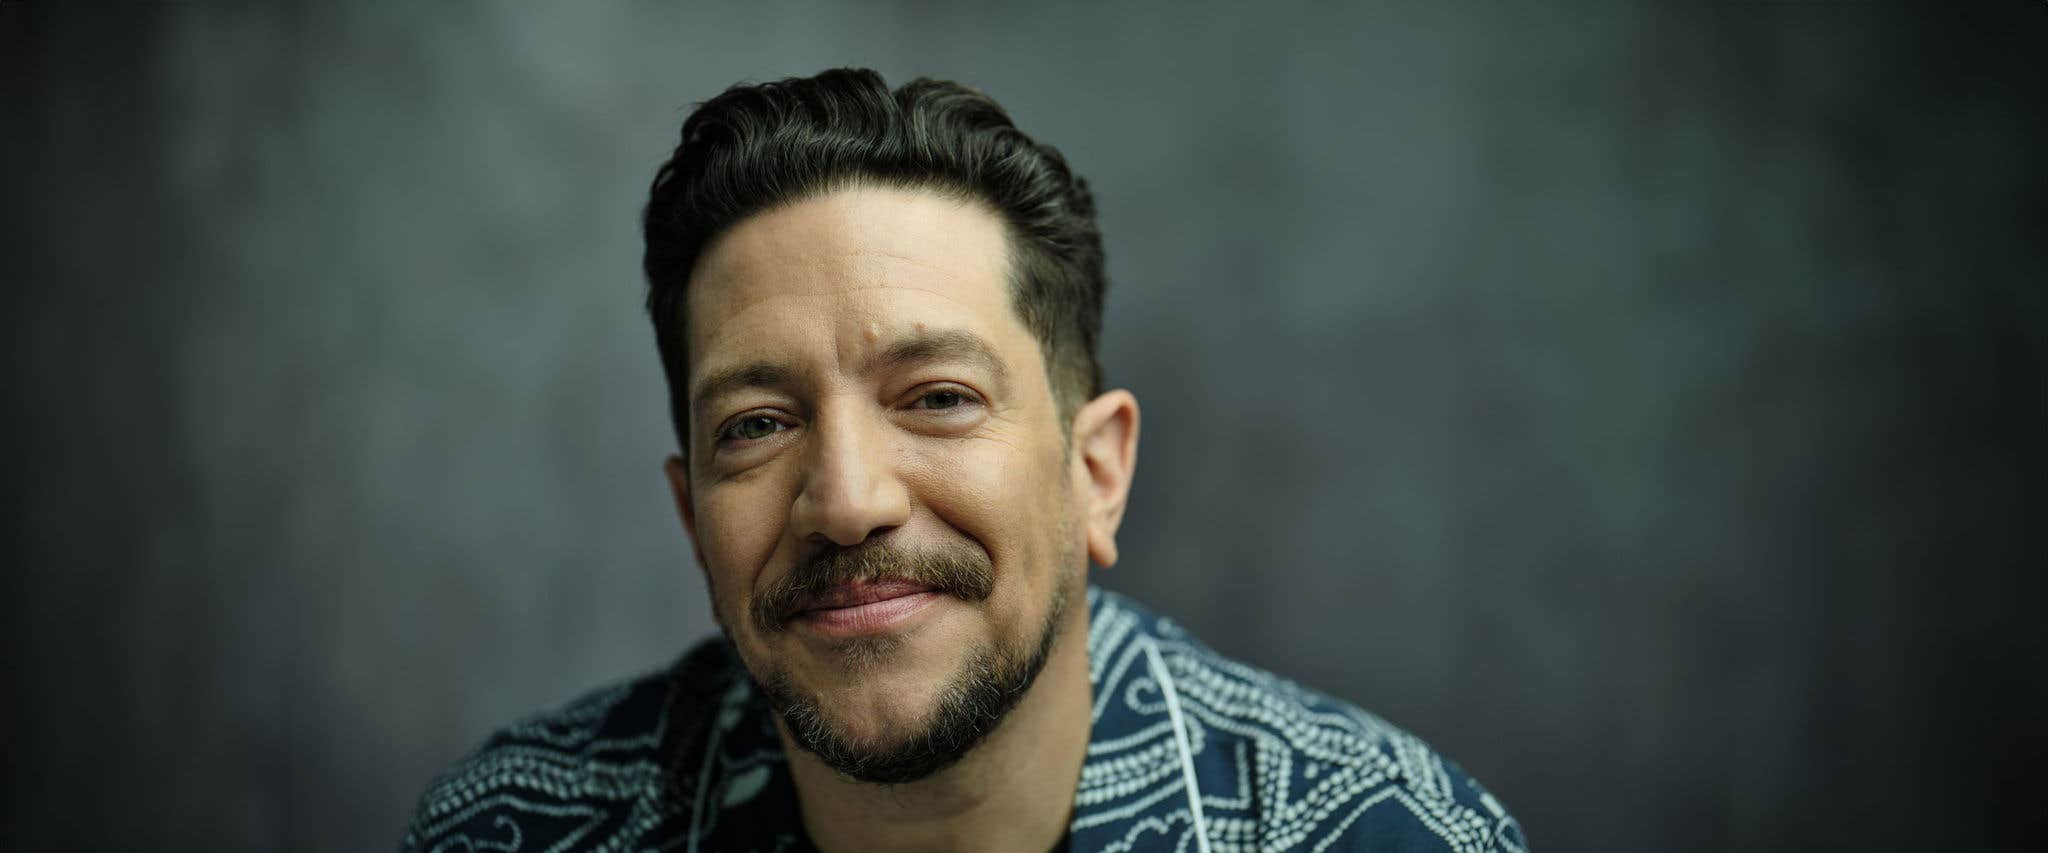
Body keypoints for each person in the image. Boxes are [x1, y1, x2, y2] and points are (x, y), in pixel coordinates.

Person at [402, 68, 1525, 852]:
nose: (847, 501)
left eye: (937, 398)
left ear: (1095, 472)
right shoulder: (514, 829)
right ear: (694, 518)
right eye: (755, 423)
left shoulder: (1381, 834)